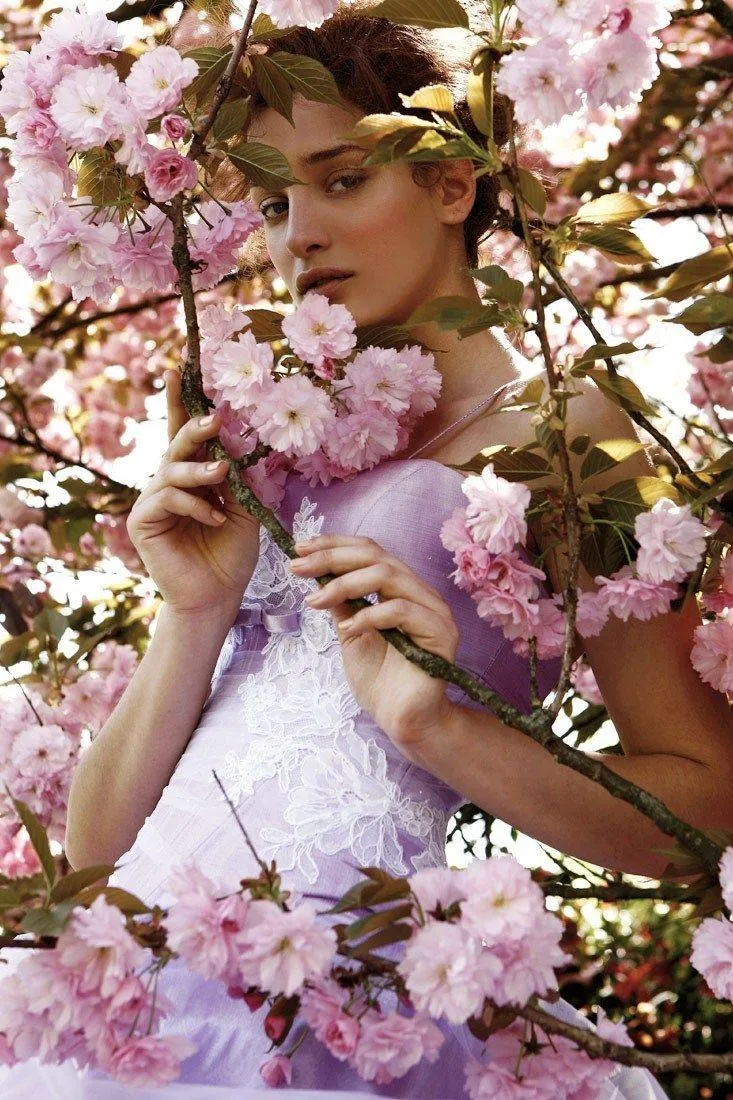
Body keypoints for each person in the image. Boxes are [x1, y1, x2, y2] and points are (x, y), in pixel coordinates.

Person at [10, 6, 731, 1099]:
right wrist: (193, 610)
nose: (295, 232)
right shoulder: (265, 412)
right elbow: (95, 856)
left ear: (452, 183)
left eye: (341, 178)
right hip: (135, 995)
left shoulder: (576, 431)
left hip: (351, 1003)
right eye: (270, 199)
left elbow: (701, 807)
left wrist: (432, 721)